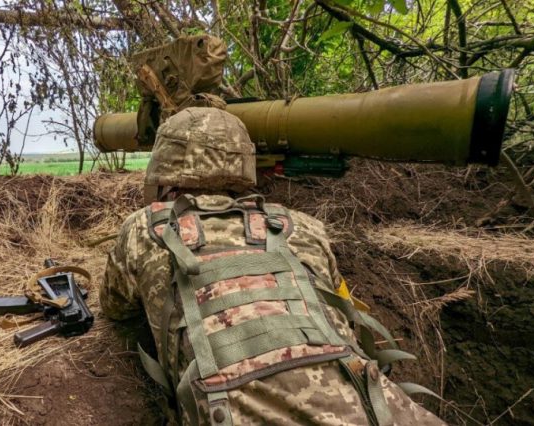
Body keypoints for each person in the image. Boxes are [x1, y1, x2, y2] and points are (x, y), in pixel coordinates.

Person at [101, 107, 444, 426]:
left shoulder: (144, 229)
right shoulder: (304, 226)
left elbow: (114, 306)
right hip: (377, 408)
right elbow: (341, 307)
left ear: (164, 167)